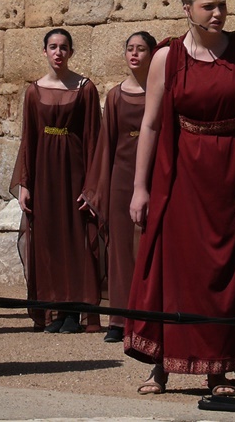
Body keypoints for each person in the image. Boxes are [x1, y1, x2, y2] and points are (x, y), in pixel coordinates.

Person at [126, 0, 235, 396]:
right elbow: (149, 125)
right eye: (208, 7)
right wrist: (140, 188)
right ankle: (162, 364)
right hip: (182, 174)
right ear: (187, 10)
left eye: (221, 5)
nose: (218, 13)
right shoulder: (168, 56)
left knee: (226, 273)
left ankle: (219, 369)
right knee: (177, 270)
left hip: (232, 169)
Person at [11, 28, 102, 334]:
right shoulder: (33, 91)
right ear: (45, 52)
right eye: (53, 47)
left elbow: (94, 139)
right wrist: (24, 182)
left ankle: (74, 310)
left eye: (64, 47)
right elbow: (29, 139)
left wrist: (92, 186)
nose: (58, 52)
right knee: (48, 239)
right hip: (44, 173)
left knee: (75, 237)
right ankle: (53, 310)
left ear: (71, 52)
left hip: (74, 170)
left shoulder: (85, 88)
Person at [83, 31, 156, 344]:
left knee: (150, 248)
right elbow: (106, 145)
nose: (134, 54)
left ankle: (149, 316)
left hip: (154, 177)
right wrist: (99, 189)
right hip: (120, 179)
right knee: (121, 250)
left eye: (141, 49)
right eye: (130, 49)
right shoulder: (114, 95)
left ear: (153, 54)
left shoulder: (162, 92)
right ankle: (118, 318)